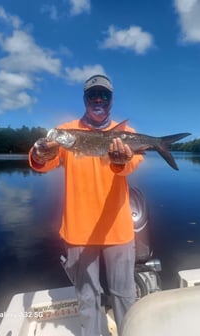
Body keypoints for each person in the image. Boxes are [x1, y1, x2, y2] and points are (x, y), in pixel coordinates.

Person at [29, 74, 143, 336]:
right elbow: (42, 163)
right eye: (93, 95)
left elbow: (130, 167)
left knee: (124, 296)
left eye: (104, 95)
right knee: (87, 298)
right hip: (78, 231)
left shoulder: (125, 134)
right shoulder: (66, 132)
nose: (99, 99)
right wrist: (38, 153)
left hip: (118, 229)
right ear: (85, 99)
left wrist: (120, 160)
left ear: (111, 100)